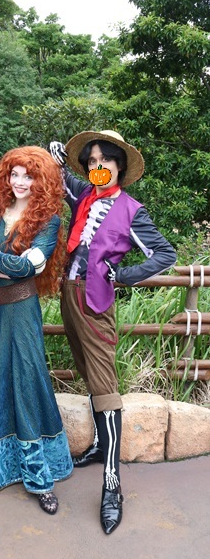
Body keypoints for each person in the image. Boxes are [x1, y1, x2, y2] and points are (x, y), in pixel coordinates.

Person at [50, 131, 176, 534]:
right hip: (68, 294)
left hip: (96, 302)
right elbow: (60, 176)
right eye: (92, 160)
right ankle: (100, 445)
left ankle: (112, 484)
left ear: (119, 166)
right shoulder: (83, 194)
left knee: (105, 386)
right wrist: (56, 155)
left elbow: (165, 254)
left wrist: (122, 275)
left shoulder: (131, 211)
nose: (97, 166)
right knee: (89, 374)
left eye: (105, 159)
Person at [0, 146, 73, 515]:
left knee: (24, 378)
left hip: (20, 313)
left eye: (29, 175)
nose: (20, 182)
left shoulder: (49, 220)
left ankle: (39, 478)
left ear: (42, 180)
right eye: (14, 174)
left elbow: (29, 268)